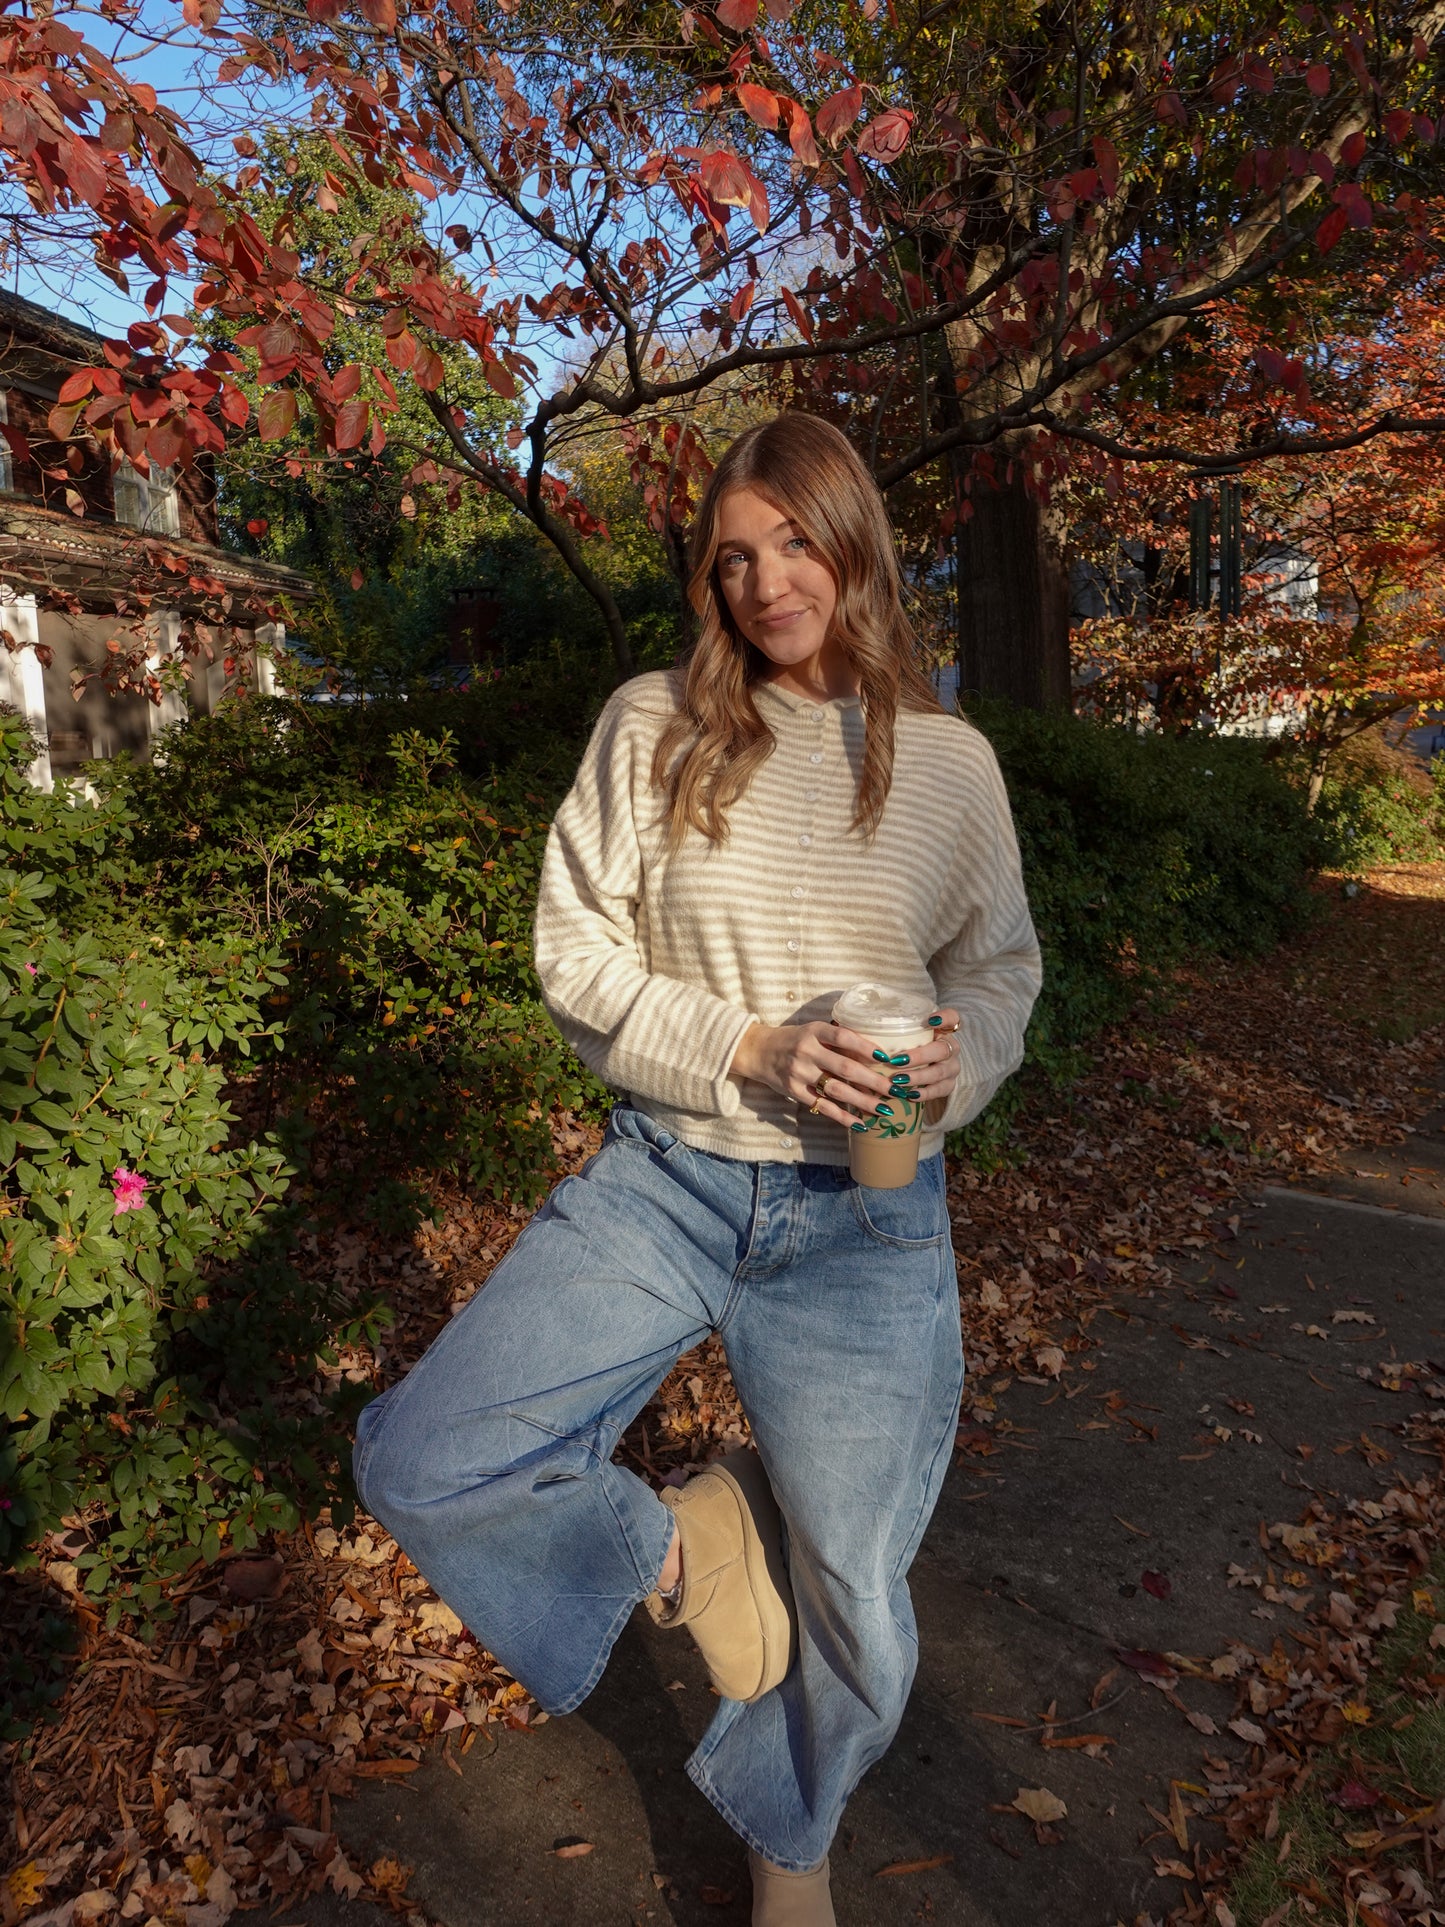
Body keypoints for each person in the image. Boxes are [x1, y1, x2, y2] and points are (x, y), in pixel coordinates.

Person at [354, 412, 1041, 1925]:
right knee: (425, 1454)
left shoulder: (946, 764)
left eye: (793, 541)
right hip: (666, 1179)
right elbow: (572, 953)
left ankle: (789, 1848)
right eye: (732, 557)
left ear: (850, 538)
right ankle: (691, 1543)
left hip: (864, 1214)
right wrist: (743, 1050)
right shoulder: (651, 725)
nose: (765, 581)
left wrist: (952, 1062)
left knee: (857, 1594)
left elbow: (997, 975)